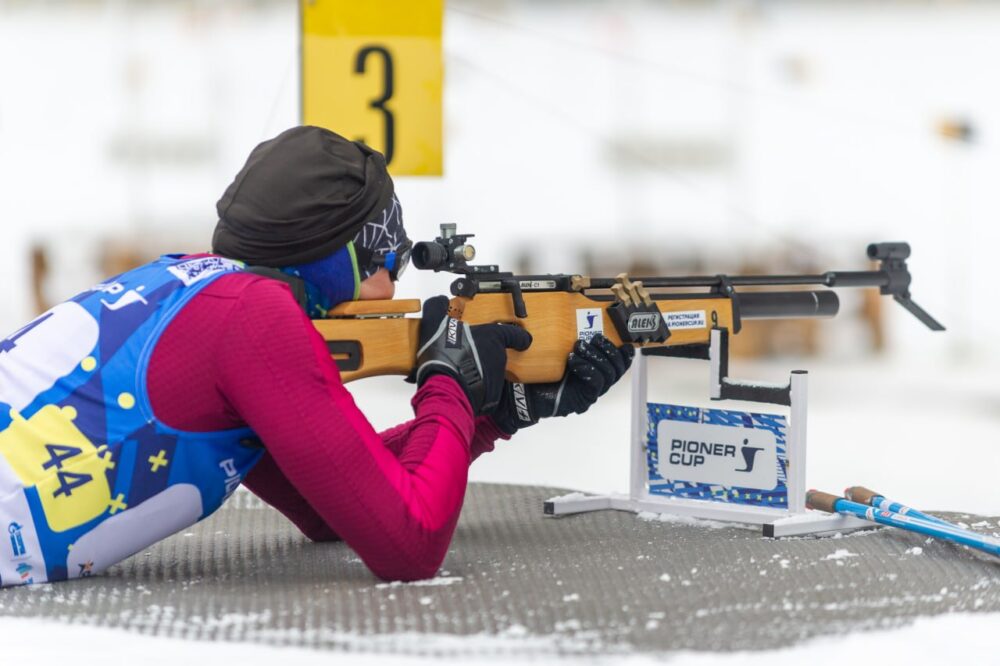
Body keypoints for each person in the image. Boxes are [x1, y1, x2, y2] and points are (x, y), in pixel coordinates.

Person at [0, 126, 632, 587]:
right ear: (336, 254)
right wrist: (452, 385)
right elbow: (408, 546)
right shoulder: (256, 319)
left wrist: (493, 413)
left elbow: (334, 503)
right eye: (388, 262)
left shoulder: (191, 281)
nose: (389, 289)